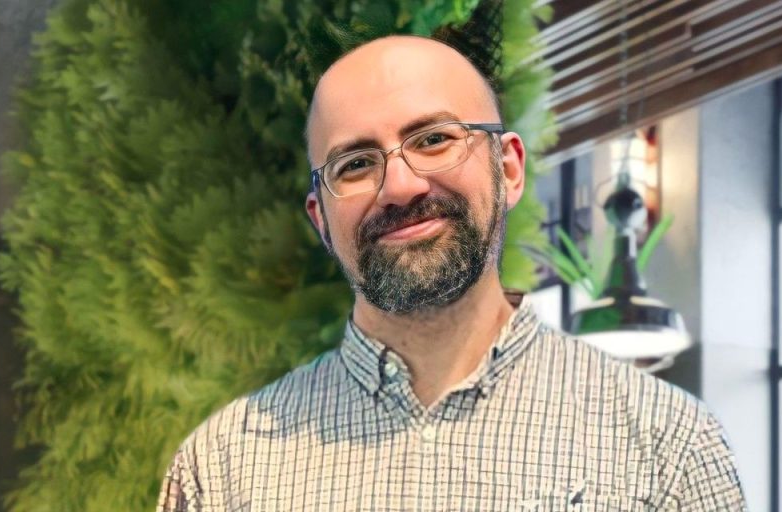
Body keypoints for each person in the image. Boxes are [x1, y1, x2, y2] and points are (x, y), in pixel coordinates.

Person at [156, 35, 748, 511]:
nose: (400, 185)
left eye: (434, 139)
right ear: (321, 219)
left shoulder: (667, 443)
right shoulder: (224, 467)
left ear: (508, 169)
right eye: (355, 164)